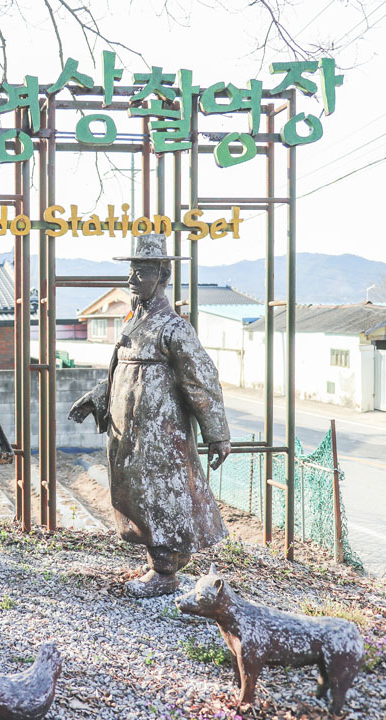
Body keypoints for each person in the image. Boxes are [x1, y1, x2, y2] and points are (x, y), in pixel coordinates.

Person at [70, 234, 232, 597]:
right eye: (131, 271)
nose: (131, 279)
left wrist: (217, 433)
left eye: (140, 272)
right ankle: (161, 563)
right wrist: (99, 396)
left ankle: (165, 572)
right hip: (131, 435)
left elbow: (202, 381)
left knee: (158, 497)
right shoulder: (134, 321)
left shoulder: (174, 328)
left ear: (162, 275)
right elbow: (122, 370)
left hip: (161, 437)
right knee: (137, 496)